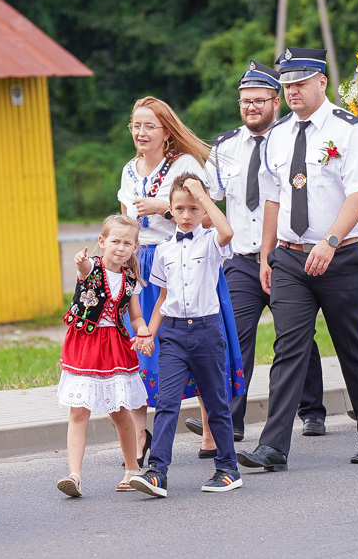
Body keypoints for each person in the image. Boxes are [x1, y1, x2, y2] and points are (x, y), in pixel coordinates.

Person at [237, 47, 358, 471]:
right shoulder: (279, 134)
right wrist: (266, 255)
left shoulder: (347, 129)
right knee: (289, 347)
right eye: (286, 85)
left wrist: (332, 240)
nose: (292, 92)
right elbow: (272, 198)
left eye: (300, 83)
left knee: (351, 343)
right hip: (290, 259)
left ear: (322, 82)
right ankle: (273, 447)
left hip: (340, 257)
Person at [188, 60, 329, 449]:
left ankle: (313, 411)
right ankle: (230, 423)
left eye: (259, 100)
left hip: (285, 257)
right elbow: (206, 199)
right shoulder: (223, 146)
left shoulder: (291, 139)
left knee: (295, 335)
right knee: (236, 337)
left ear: (276, 102)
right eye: (245, 101)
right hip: (240, 260)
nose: (251, 107)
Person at [117, 97, 243, 465]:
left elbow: (204, 219)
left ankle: (208, 432)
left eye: (148, 126)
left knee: (200, 343)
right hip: (144, 260)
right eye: (135, 126)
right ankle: (140, 437)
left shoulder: (185, 164)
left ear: (166, 131)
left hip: (187, 257)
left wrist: (164, 208)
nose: (140, 133)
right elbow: (126, 217)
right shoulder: (129, 169)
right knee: (144, 349)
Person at [130, 173, 242, 496]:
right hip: (175, 335)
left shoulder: (211, 242)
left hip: (207, 331)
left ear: (203, 210)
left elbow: (227, 231)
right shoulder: (164, 250)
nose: (187, 215)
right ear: (171, 211)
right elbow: (163, 299)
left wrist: (202, 196)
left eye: (194, 209)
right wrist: (149, 333)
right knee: (166, 403)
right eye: (180, 208)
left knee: (215, 401)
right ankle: (157, 472)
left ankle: (227, 468)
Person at [56, 215, 151, 496]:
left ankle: (132, 468)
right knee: (79, 411)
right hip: (85, 345)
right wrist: (80, 261)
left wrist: (143, 332)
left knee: (120, 413)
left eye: (127, 243)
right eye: (114, 241)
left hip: (114, 348)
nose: (120, 247)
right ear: (102, 242)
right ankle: (74, 475)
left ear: (135, 247)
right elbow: (84, 268)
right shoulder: (92, 267)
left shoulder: (130, 280)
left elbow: (136, 318)